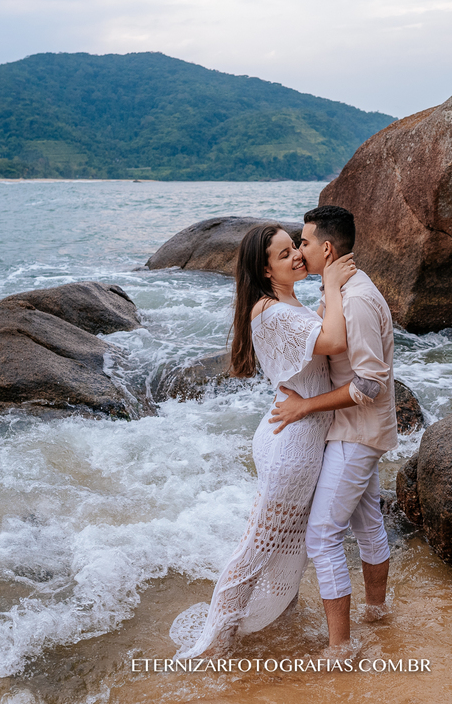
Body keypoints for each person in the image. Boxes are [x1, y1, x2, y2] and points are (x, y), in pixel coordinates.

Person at [170, 222, 357, 658]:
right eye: (282, 254)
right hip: (290, 445)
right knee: (258, 547)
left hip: (296, 437)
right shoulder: (270, 311)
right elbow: (332, 341)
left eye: (295, 246)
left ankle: (278, 625)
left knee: (289, 547)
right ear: (266, 270)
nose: (296, 256)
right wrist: (331, 283)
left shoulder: (286, 304)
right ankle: (212, 646)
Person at [268, 204, 398, 653]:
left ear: (326, 247)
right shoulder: (343, 288)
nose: (299, 251)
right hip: (356, 428)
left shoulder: (356, 300)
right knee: (368, 524)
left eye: (303, 243)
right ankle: (378, 614)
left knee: (322, 535)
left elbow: (368, 384)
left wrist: (305, 407)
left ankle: (340, 646)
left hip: (355, 430)